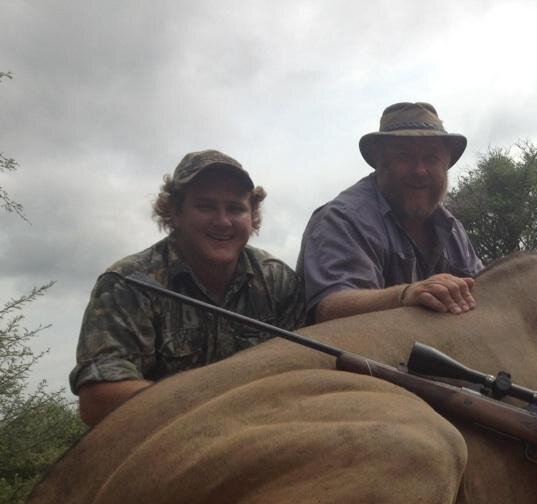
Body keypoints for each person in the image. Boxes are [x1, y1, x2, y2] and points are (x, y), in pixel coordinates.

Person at [70, 150, 305, 426]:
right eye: (205, 206)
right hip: (163, 445)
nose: (222, 221)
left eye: (235, 208)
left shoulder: (277, 280)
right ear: (174, 213)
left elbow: (306, 371)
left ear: (252, 216)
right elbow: (98, 399)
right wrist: (217, 403)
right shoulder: (127, 283)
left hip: (267, 435)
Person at [297, 102, 483, 323]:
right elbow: (331, 307)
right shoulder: (343, 218)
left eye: (431, 158)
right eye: (405, 157)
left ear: (446, 164)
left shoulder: (452, 228)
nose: (420, 171)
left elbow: (484, 292)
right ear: (379, 161)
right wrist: (405, 295)